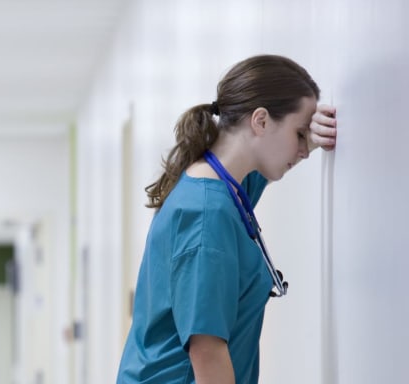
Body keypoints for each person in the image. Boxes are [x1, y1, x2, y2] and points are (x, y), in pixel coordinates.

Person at [116, 54, 339, 384]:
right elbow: (207, 351)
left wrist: (312, 131)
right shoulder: (206, 215)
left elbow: (270, 164)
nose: (304, 150)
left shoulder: (225, 186)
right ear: (260, 121)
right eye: (299, 135)